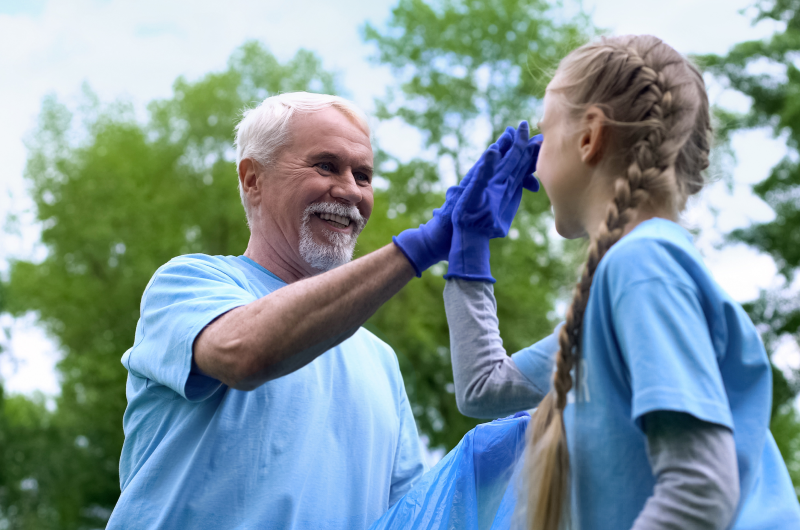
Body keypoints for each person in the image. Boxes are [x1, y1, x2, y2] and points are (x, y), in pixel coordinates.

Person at [106, 91, 540, 529]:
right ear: (252, 179)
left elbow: (410, 519)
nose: (350, 190)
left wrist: (516, 452)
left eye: (364, 175)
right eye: (326, 166)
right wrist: (421, 247)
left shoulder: (380, 361)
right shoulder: (187, 285)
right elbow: (246, 353)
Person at [442, 35, 800, 530]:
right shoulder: (629, 281)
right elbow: (483, 389)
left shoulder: (643, 267)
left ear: (590, 136)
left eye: (544, 134)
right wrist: (468, 254)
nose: (536, 161)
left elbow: (700, 488)